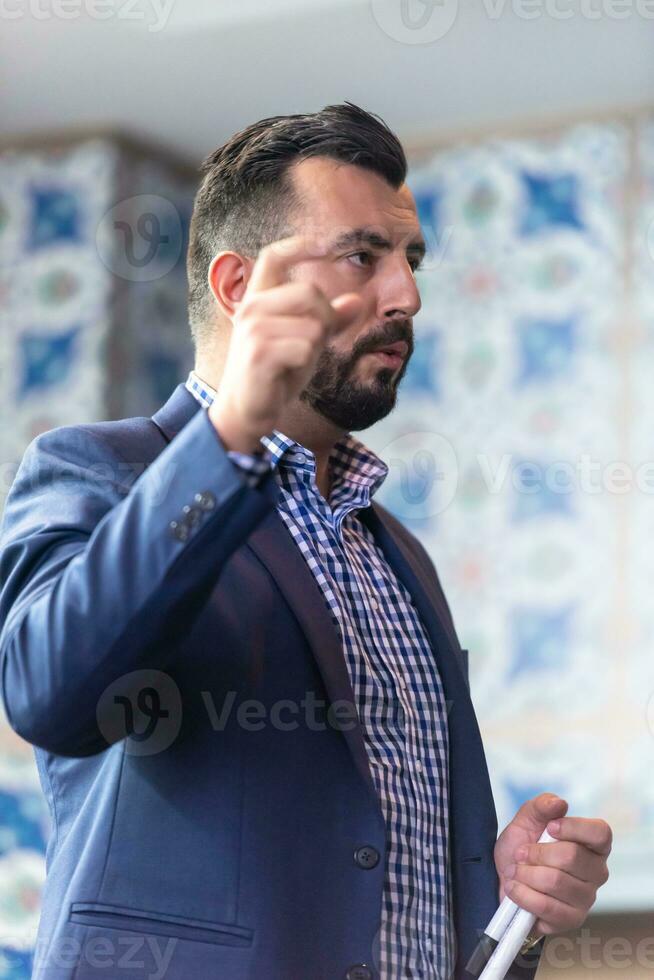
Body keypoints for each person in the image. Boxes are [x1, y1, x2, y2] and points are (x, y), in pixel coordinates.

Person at [0, 103, 611, 980]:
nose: (407, 293)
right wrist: (232, 435)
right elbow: (51, 693)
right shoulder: (96, 469)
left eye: (411, 259)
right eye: (364, 256)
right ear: (238, 286)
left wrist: (510, 908)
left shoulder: (397, 551)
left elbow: (385, 882)